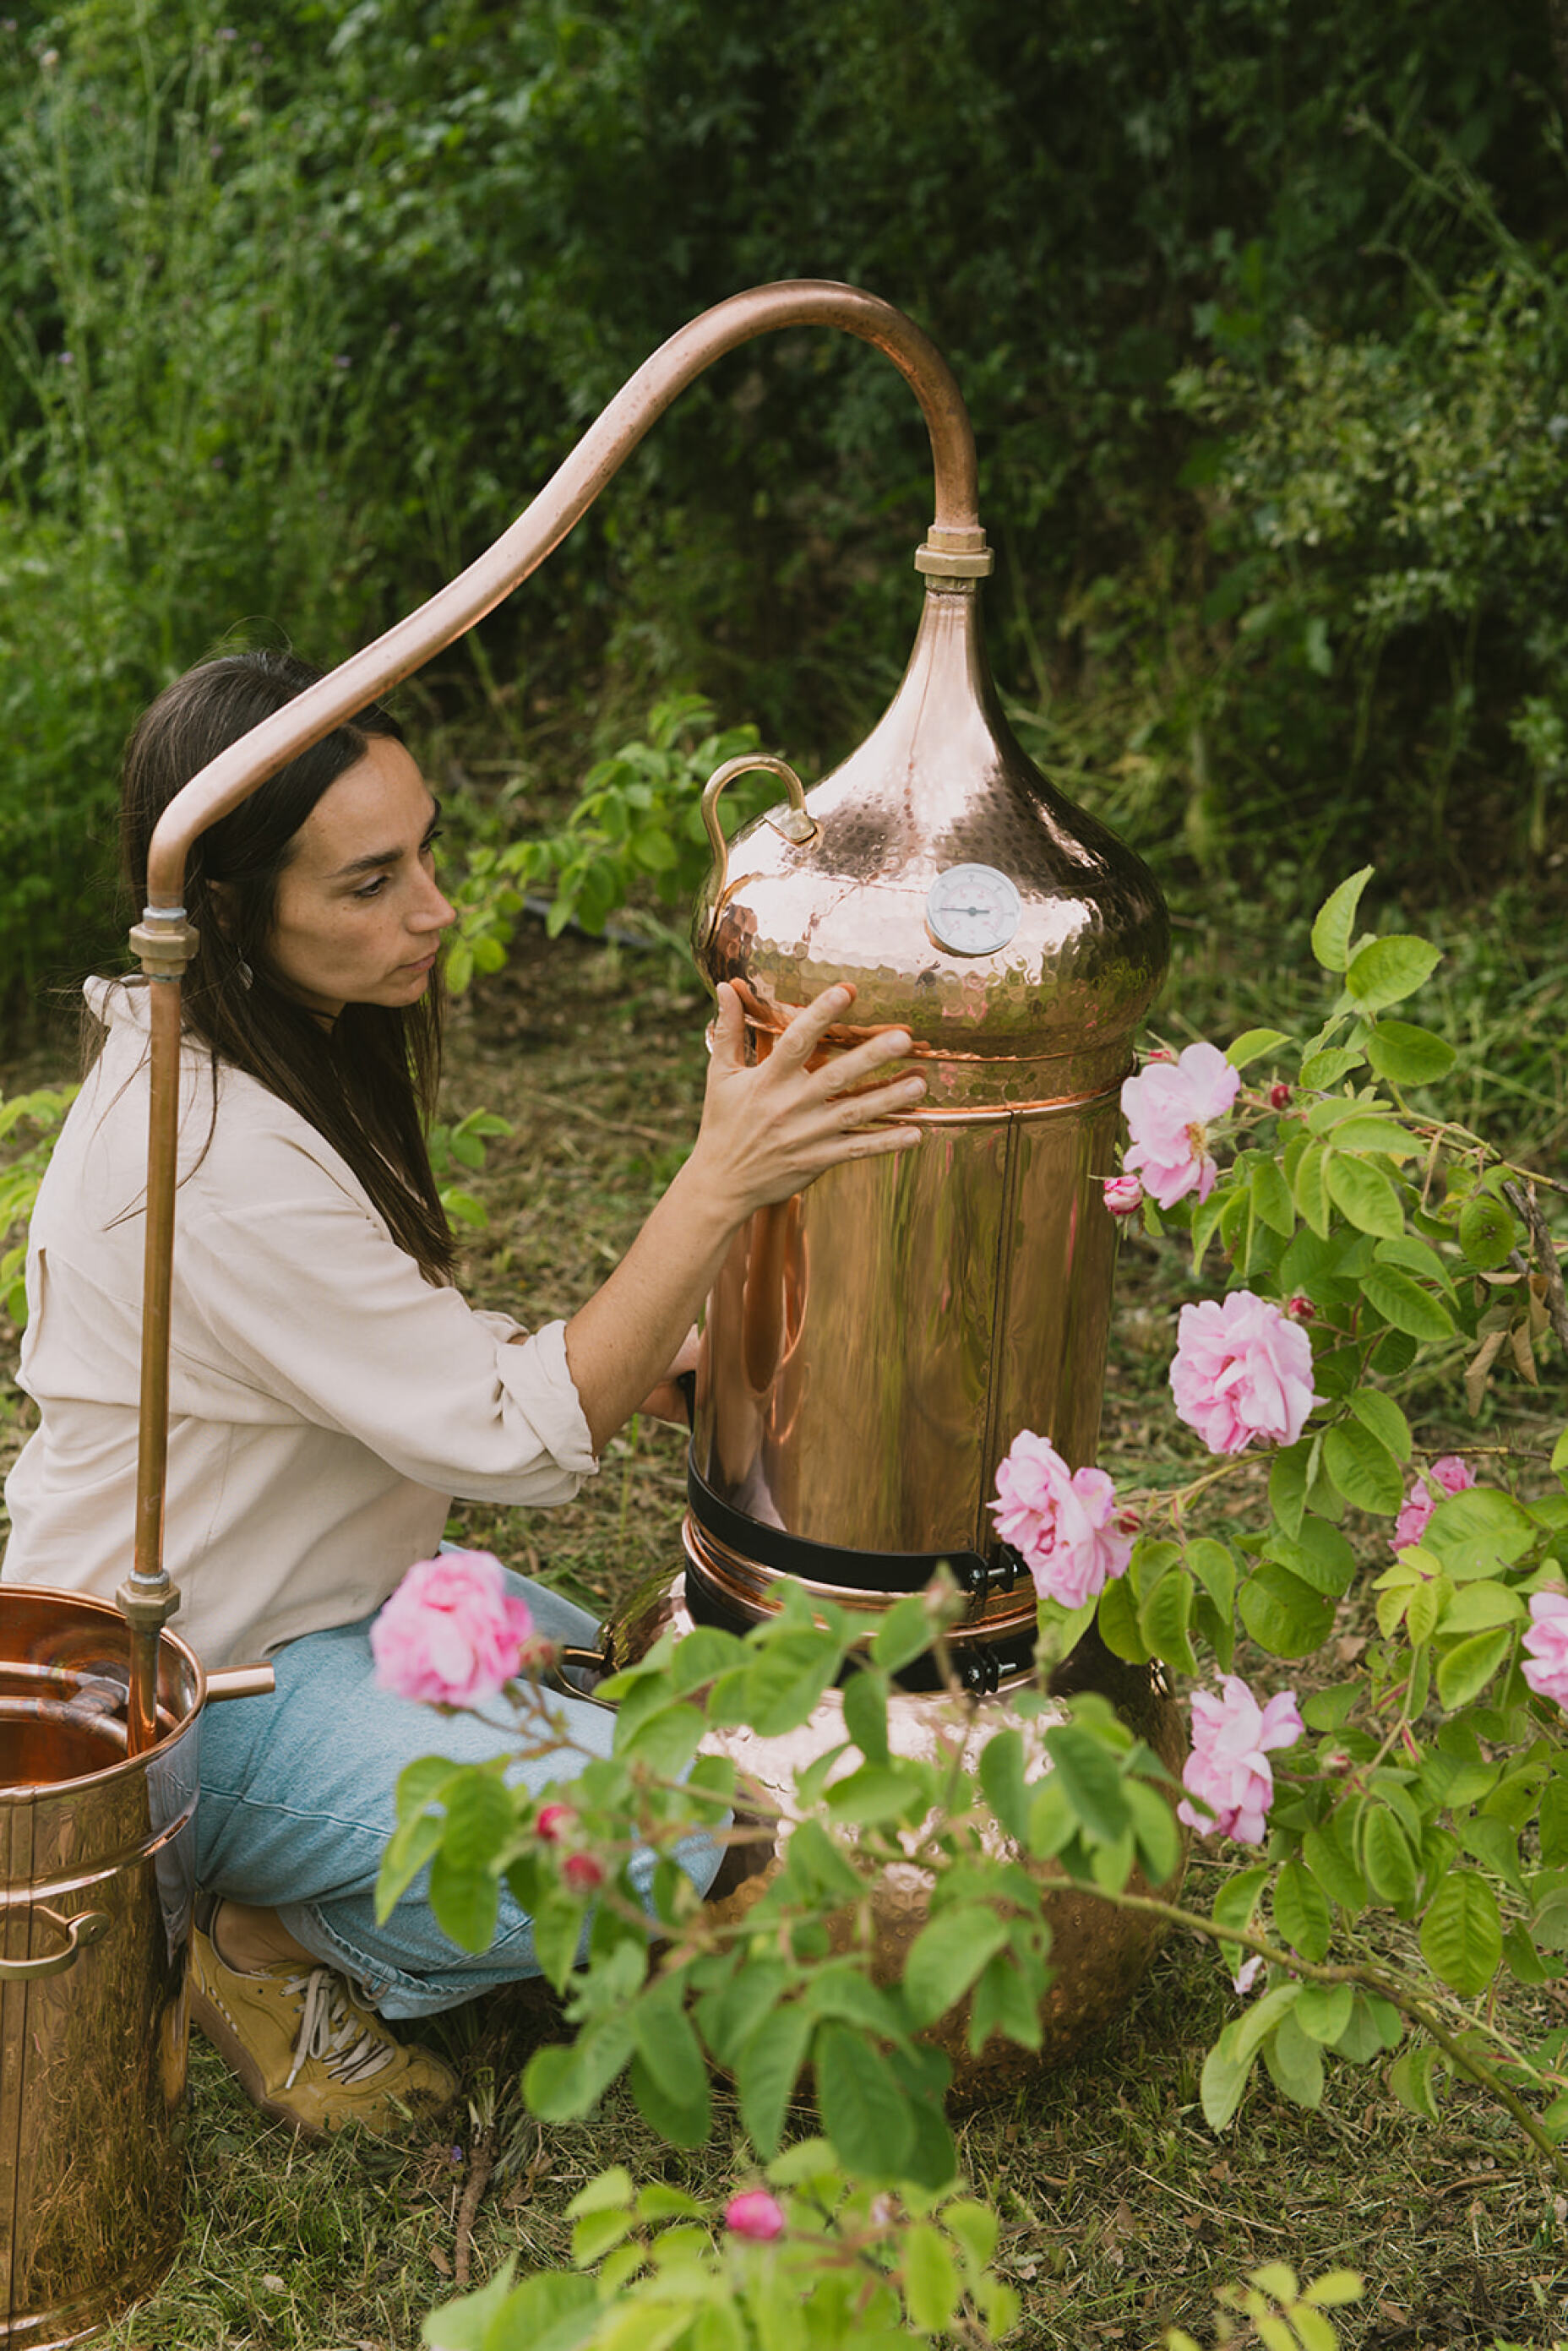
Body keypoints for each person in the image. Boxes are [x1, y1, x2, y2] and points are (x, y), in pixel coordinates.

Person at [1, 648, 926, 2136]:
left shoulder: (254, 1058)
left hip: (320, 1614)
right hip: (186, 1705)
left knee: (630, 1688)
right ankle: (258, 1932)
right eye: (369, 885)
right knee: (687, 1843)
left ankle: (343, 1842)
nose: (432, 909)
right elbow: (512, 1436)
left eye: (425, 853)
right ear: (226, 912)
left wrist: (640, 1361)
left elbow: (370, 1347)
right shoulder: (206, 1155)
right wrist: (724, 1177)